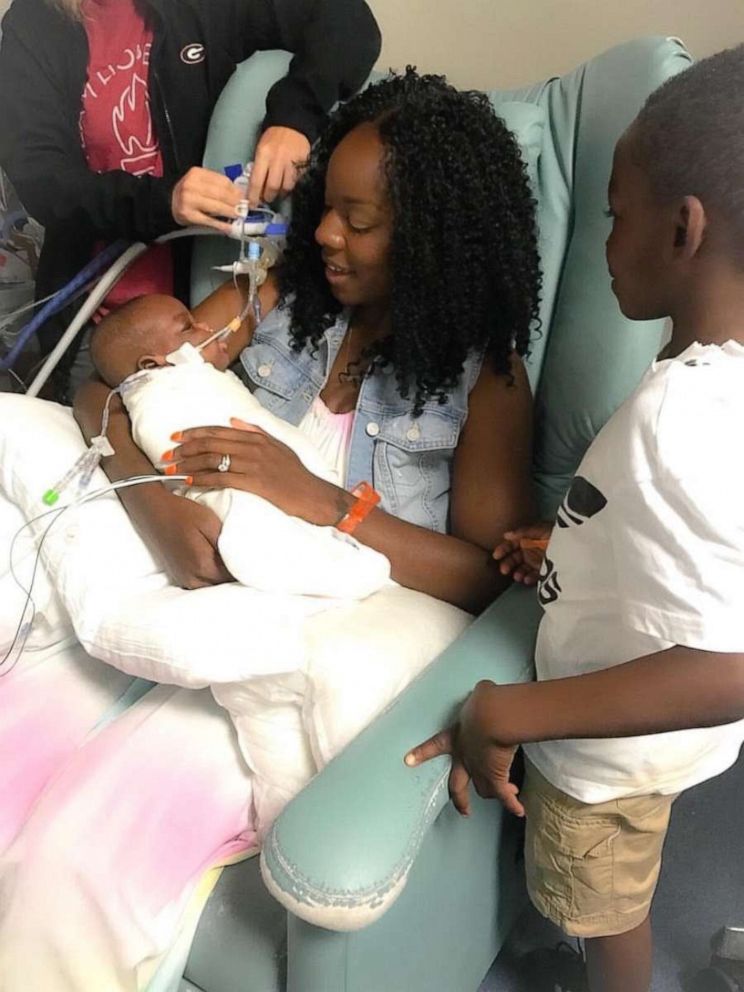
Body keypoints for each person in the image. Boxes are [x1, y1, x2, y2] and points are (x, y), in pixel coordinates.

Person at [0, 70, 540, 990]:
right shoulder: (280, 301)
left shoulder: (486, 383)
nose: (325, 234)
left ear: (435, 238)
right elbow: (111, 386)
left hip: (277, 650)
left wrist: (320, 501)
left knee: (77, 862)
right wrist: (155, 506)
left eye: (360, 223)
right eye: (328, 208)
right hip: (177, 597)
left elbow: (484, 582)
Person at [406, 46, 744, 992]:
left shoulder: (684, 417)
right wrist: (580, 537)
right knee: (615, 876)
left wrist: (513, 708)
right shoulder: (718, 384)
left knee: (610, 907)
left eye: (613, 215)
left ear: (684, 230)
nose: (603, 242)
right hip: (660, 747)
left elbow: (727, 668)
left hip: (605, 755)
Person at [0, 0, 381, 396]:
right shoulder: (34, 24)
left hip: (212, 306)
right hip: (98, 324)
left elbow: (346, 20)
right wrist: (165, 203)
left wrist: (293, 119)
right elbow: (43, 180)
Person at [89, 293, 390, 597]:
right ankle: (293, 565)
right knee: (245, 516)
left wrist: (320, 496)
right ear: (154, 365)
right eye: (190, 327)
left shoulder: (191, 365)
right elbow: (105, 385)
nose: (207, 327)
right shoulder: (163, 388)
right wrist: (153, 505)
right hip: (218, 481)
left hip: (317, 502)